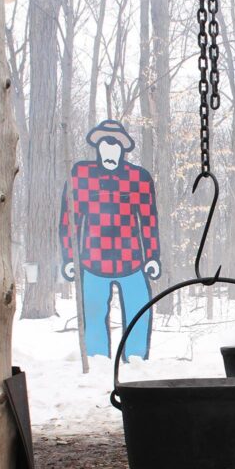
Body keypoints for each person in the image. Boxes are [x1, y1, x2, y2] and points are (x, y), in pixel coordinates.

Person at [59, 119, 161, 361]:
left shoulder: (138, 178)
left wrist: (152, 256)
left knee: (139, 310)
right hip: (93, 262)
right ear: (98, 147)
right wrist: (69, 258)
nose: (110, 152)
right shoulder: (82, 175)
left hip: (132, 262)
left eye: (115, 146)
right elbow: (69, 221)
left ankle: (136, 359)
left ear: (123, 149)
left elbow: (148, 220)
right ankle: (97, 359)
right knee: (94, 314)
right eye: (105, 145)